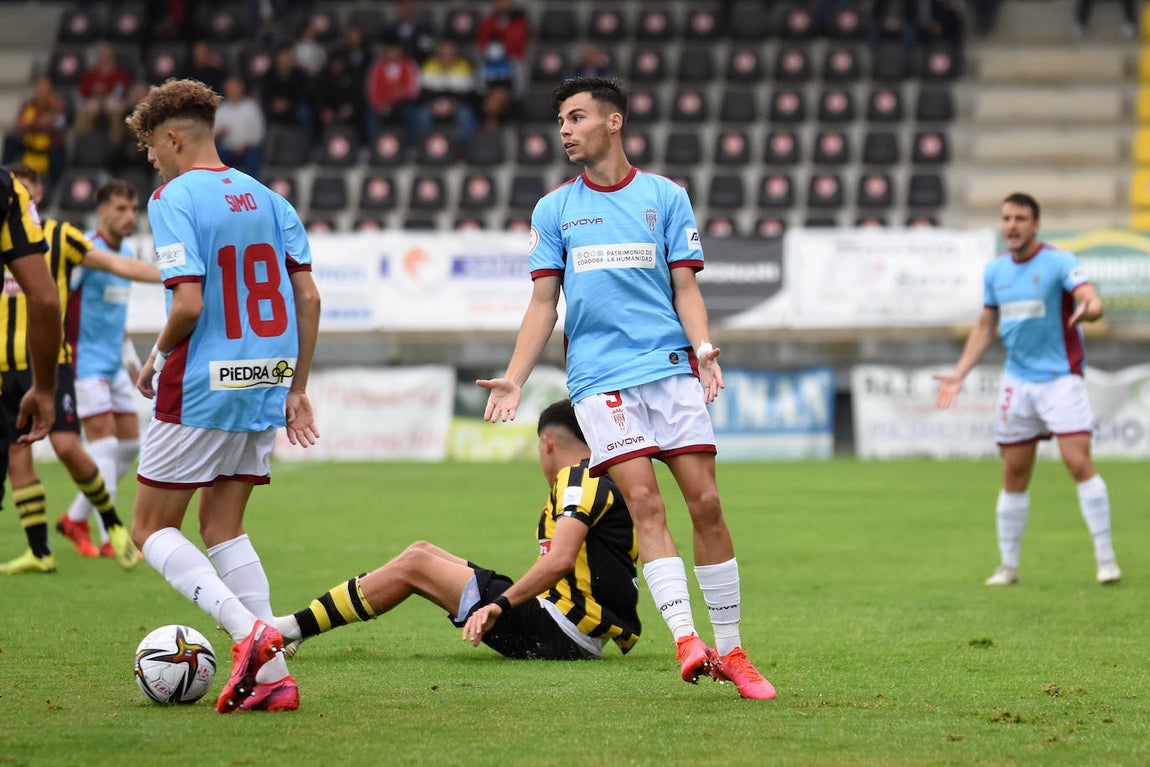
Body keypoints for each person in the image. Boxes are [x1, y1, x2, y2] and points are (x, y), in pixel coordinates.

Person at [477, 78, 775, 700]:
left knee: (707, 505)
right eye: (561, 119)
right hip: (599, 380)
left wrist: (702, 348)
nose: (565, 129)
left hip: (669, 370)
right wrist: (515, 374)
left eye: (577, 117)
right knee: (644, 504)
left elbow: (686, 287)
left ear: (613, 123)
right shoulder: (554, 209)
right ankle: (687, 641)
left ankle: (733, 650)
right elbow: (542, 303)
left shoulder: (665, 198)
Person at [124, 78, 321, 714]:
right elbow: (309, 297)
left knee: (150, 528)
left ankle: (250, 634)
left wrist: (155, 356)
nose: (152, 160)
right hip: (263, 380)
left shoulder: (172, 197)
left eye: (153, 148)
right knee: (223, 525)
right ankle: (275, 680)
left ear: (173, 138)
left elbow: (188, 302)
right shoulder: (270, 198)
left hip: (203, 381)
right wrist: (298, 387)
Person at [274, 400, 641, 661]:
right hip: (570, 628)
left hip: (561, 632)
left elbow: (560, 559)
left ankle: (288, 629)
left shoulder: (579, 478)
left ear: (547, 444)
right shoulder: (599, 476)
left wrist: (499, 604)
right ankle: (296, 630)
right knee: (423, 551)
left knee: (415, 564)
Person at [934, 192, 1121, 586]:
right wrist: (959, 373)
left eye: (1020, 218)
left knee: (1078, 464)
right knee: (1014, 474)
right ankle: (1009, 566)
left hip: (1060, 380)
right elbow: (985, 326)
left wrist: (1092, 306)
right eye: (1006, 218)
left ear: (1036, 224)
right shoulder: (995, 271)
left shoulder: (1059, 262)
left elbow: (1089, 296)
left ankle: (1106, 559)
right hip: (1017, 382)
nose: (1012, 226)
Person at [0, 164, 157, 574]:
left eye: (27, 187)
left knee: (75, 446)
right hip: (13, 364)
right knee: (20, 455)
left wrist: (180, 275)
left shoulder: (60, 238)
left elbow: (110, 275)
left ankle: (106, 525)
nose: (22, 195)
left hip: (57, 363)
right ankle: (42, 549)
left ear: (38, 191)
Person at [58, 179, 155, 557]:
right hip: (83, 365)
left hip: (114, 364)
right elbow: (60, 301)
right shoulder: (85, 250)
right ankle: (110, 539)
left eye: (133, 209)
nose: (129, 216)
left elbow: (117, 316)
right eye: (120, 209)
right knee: (106, 446)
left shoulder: (127, 251)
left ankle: (74, 519)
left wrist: (131, 361)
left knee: (130, 445)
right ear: (101, 212)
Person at [0, 167, 61, 572]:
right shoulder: (8, 190)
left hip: (24, 363)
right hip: (27, 370)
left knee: (20, 451)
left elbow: (108, 263)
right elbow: (46, 300)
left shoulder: (65, 236)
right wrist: (46, 386)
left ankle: (41, 549)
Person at [1, 77, 69, 190]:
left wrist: (32, 123)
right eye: (38, 91)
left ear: (51, 92)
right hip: (29, 144)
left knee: (59, 153)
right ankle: (3, 180)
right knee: (10, 139)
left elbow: (57, 124)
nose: (40, 95)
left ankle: (56, 190)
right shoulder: (28, 105)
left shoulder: (58, 105)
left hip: (51, 146)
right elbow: (18, 125)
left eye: (44, 91)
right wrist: (41, 121)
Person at [74, 43, 134, 148]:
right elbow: (83, 90)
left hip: (112, 100)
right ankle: (84, 146)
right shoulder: (91, 74)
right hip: (94, 100)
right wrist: (94, 90)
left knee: (116, 114)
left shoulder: (119, 73)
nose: (104, 58)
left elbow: (122, 90)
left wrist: (107, 91)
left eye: (107, 56)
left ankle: (115, 146)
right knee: (83, 115)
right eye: (101, 56)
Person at [214, 76, 265, 179]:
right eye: (230, 89)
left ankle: (253, 188)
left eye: (235, 88)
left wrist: (246, 145)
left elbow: (258, 134)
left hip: (247, 149)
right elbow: (213, 135)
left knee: (254, 158)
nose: (233, 92)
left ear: (241, 89)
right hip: (226, 149)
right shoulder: (221, 109)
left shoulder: (251, 107)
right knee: (216, 158)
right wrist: (219, 134)